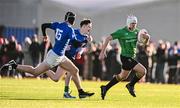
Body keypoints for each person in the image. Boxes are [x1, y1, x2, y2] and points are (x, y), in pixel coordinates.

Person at [0, 12, 94, 99]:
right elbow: (76, 43)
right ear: (73, 21)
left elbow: (44, 25)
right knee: (35, 72)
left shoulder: (58, 24)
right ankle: (14, 65)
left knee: (74, 70)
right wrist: (86, 41)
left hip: (60, 55)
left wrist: (45, 35)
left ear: (65, 19)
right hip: (55, 56)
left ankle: (81, 92)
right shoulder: (70, 30)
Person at [98, 15, 150, 100]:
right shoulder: (121, 32)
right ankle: (131, 85)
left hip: (132, 57)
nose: (134, 25)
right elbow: (107, 38)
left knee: (122, 76)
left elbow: (144, 44)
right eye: (132, 23)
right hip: (125, 57)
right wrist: (102, 52)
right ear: (128, 23)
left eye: (135, 23)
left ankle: (105, 88)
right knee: (143, 71)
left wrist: (147, 39)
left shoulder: (138, 32)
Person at [46, 19, 93, 98]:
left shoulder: (86, 37)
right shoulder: (73, 31)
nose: (90, 29)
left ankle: (42, 69)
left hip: (71, 57)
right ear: (84, 26)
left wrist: (79, 53)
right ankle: (70, 92)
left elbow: (82, 48)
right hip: (64, 55)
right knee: (66, 74)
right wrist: (65, 46)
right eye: (89, 26)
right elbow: (63, 38)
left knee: (63, 76)